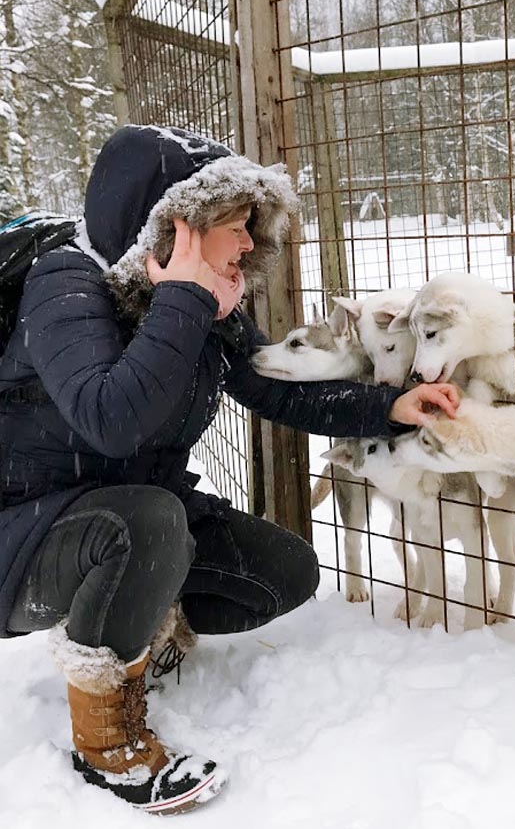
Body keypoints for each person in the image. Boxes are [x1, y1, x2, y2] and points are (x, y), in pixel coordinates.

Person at [0, 125, 458, 815]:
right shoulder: (63, 282)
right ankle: (106, 742)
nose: (248, 243)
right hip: (25, 534)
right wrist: (182, 299)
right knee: (148, 521)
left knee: (283, 572)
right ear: (178, 223)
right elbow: (109, 415)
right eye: (236, 224)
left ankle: (129, 612)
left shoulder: (204, 299)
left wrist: (391, 405)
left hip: (129, 520)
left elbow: (273, 383)